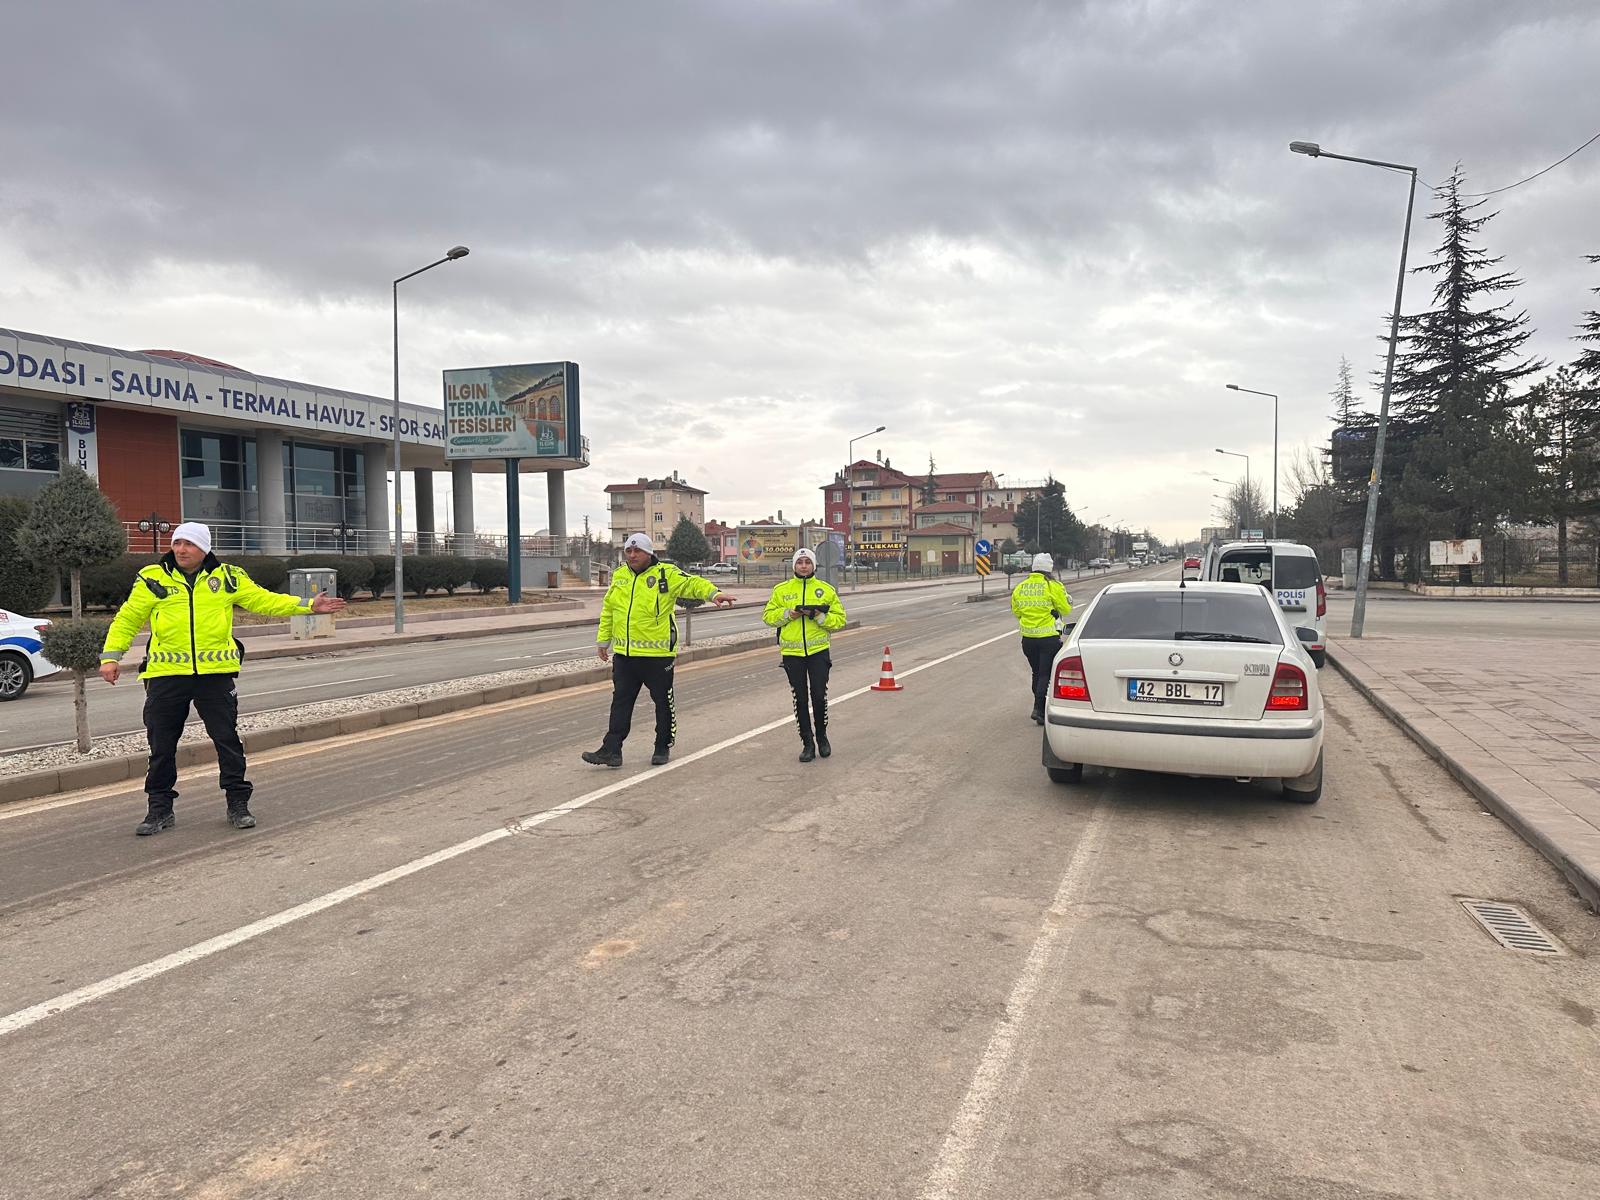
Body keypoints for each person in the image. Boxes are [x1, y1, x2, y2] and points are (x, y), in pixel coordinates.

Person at [99, 521, 348, 836]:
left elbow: (264, 600)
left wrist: (308, 605)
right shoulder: (153, 578)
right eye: (177, 543)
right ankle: (159, 809)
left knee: (227, 741)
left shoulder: (227, 577)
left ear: (204, 548)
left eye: (188, 544)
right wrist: (111, 656)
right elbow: (128, 617)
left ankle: (238, 803)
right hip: (166, 676)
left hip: (214, 677)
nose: (180, 550)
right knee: (161, 746)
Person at [582, 532, 735, 768]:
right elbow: (609, 610)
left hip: (657, 655)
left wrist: (714, 593)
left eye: (637, 551)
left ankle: (662, 746)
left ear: (649, 553)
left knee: (663, 702)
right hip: (625, 654)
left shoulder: (667, 574)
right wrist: (603, 641)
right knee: (620, 702)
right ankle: (611, 750)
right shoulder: (620, 576)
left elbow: (693, 583)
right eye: (629, 551)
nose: (632, 555)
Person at [762, 547, 848, 762]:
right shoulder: (781, 590)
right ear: (794, 566)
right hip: (792, 653)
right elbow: (768, 616)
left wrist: (819, 617)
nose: (803, 566)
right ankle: (807, 743)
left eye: (807, 562)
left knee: (819, 696)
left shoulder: (825, 590)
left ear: (813, 565)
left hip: (818, 652)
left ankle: (822, 737)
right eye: (799, 562)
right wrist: (789, 614)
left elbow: (840, 620)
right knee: (800, 699)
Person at [1010, 552, 1072, 725]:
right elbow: (1065, 609)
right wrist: (1055, 610)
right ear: (1049, 569)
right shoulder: (1053, 586)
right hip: (1048, 638)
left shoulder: (1021, 587)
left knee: (1036, 673)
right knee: (1045, 674)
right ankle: (1038, 709)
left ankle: (1039, 707)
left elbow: (1017, 611)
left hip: (1028, 639)